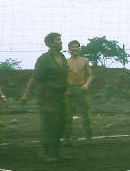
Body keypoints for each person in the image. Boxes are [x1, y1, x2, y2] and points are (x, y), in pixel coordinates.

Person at [21, 32, 68, 162]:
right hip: (47, 97)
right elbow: (35, 78)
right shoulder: (44, 59)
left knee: (60, 123)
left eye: (60, 39)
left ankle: (56, 152)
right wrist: (26, 94)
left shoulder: (63, 57)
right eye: (57, 40)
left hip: (60, 97)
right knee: (49, 124)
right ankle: (46, 153)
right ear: (50, 43)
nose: (60, 42)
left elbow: (65, 76)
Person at [65, 40, 93, 143]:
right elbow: (63, 77)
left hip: (81, 89)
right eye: (73, 47)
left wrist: (86, 84)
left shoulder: (84, 60)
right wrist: (66, 89)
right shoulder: (66, 62)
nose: (75, 49)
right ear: (69, 49)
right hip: (69, 90)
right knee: (67, 115)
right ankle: (67, 138)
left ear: (79, 48)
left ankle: (89, 138)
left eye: (77, 47)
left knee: (86, 115)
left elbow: (90, 75)